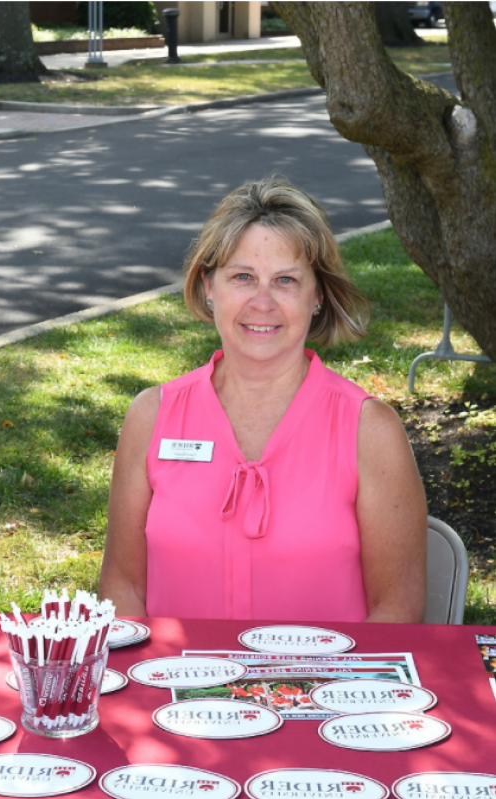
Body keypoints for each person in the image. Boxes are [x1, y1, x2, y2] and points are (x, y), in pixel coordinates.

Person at [100, 176, 427, 624]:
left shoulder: (369, 430)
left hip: (323, 689)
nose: (262, 303)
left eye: (286, 281)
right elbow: (123, 588)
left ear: (317, 296)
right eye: (243, 277)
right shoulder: (152, 415)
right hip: (176, 686)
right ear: (208, 286)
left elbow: (397, 611)